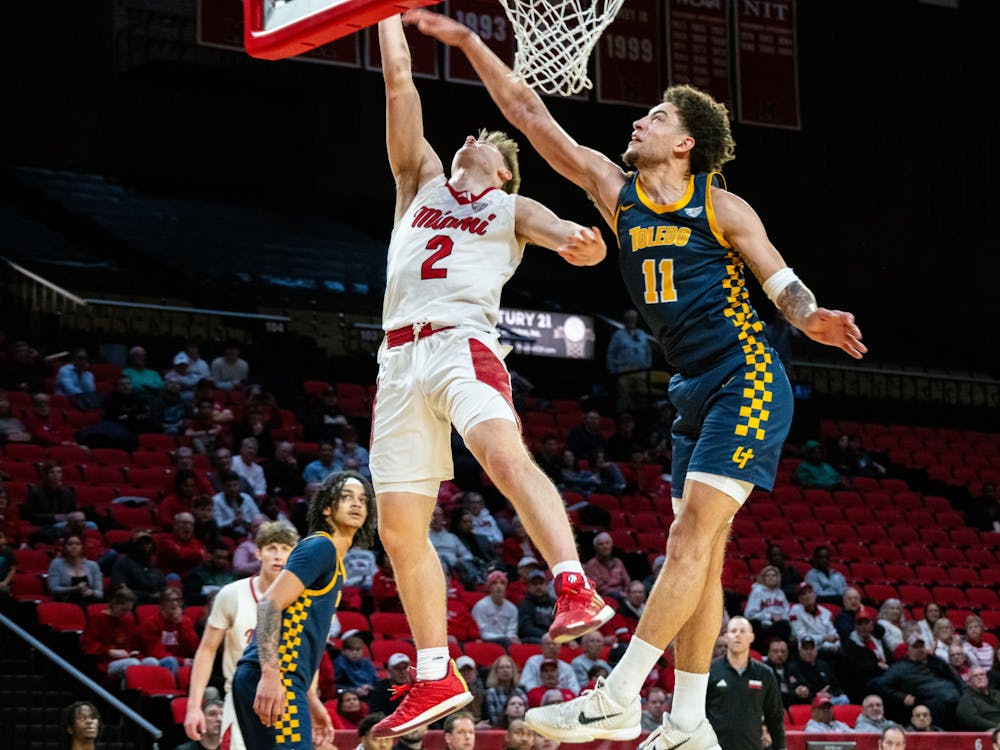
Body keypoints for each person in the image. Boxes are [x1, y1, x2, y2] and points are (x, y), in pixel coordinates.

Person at [406, 12, 866, 748]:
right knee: (702, 556)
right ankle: (687, 723)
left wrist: (809, 316)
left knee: (689, 537)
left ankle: (619, 695)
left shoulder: (718, 204)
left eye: (655, 116)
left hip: (745, 379)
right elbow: (530, 114)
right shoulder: (613, 192)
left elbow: (783, 284)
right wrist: (468, 45)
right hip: (689, 389)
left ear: (685, 142)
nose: (640, 120)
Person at [367, 12, 613, 740]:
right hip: (396, 360)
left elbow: (578, 244)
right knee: (399, 527)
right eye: (469, 135)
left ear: (502, 167)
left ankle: (574, 587)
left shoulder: (512, 205)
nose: (471, 136)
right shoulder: (420, 179)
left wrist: (582, 245)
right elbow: (400, 82)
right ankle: (435, 672)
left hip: (459, 345)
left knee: (504, 456)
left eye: (484, 141)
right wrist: (382, 15)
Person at [231, 470, 376, 749]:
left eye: (362, 499)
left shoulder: (335, 562)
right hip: (277, 675)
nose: (357, 504)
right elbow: (269, 604)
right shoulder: (320, 546)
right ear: (325, 507)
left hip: (283, 677)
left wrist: (311, 700)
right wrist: (271, 674)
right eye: (346, 497)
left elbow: (309, 639)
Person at [184, 521, 298, 750]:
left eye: (286, 549)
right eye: (272, 548)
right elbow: (206, 650)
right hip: (240, 700)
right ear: (258, 552)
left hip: (288, 702)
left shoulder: (302, 598)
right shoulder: (231, 594)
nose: (278, 556)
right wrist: (194, 706)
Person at [704, 617, 786, 750]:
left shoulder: (765, 674)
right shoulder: (710, 671)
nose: (737, 634)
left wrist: (781, 747)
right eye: (733, 631)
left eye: (742, 631)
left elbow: (775, 717)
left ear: (751, 637)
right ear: (725, 637)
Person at [870, 634, 962, 730]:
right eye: (915, 647)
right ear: (909, 649)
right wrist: (901, 696)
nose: (919, 649)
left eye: (921, 646)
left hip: (957, 701)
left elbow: (956, 678)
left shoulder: (935, 660)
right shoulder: (900, 667)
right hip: (936, 707)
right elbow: (879, 685)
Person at [606, 309, 653, 414]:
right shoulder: (618, 334)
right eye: (629, 318)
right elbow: (611, 353)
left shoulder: (642, 334)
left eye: (633, 318)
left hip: (641, 371)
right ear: (625, 320)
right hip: (624, 371)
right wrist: (612, 370)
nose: (631, 320)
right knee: (624, 398)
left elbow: (648, 352)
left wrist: (647, 368)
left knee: (641, 398)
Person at [47, 534, 103, 603]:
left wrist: (92, 592)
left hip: (89, 602)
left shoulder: (93, 565)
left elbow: (100, 594)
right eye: (70, 544)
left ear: (82, 547)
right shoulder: (56, 563)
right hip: (66, 603)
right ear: (64, 548)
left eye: (77, 544)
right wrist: (73, 589)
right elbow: (53, 589)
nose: (74, 547)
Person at [472, 569, 520, 647]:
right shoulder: (481, 606)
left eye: (502, 583)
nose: (499, 586)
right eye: (494, 583)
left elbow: (512, 630)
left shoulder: (512, 608)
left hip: (506, 641)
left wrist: (511, 637)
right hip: (487, 640)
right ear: (489, 587)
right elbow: (481, 632)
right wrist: (505, 638)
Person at [484, 655, 529, 727]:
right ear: (496, 671)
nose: (505, 670)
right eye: (502, 667)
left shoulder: (520, 692)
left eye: (508, 667)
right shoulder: (491, 692)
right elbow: (493, 719)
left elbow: (526, 715)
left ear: (513, 670)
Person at [955, 665, 1000, 731]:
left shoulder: (998, 694)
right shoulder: (966, 700)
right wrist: (997, 726)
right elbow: (974, 721)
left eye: (982, 674)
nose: (979, 677)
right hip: (987, 733)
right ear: (969, 682)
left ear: (987, 678)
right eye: (975, 676)